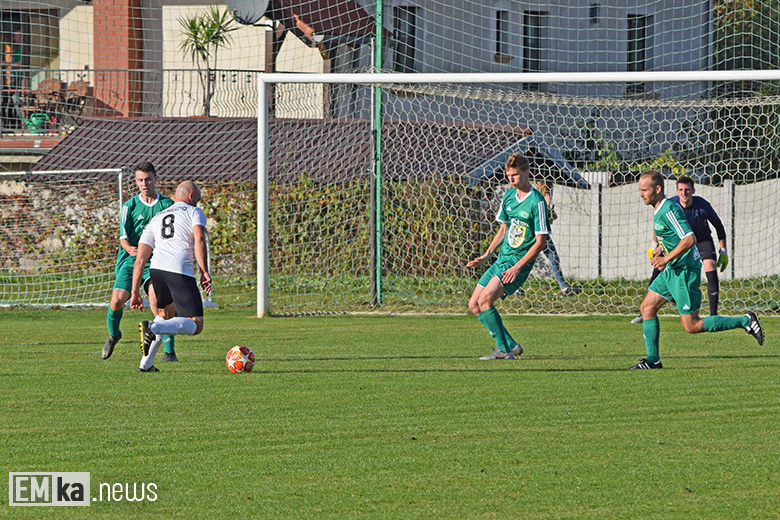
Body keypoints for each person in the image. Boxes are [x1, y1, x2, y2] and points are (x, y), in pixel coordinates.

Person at [630, 170, 763, 370]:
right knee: (647, 308)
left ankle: (746, 320)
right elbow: (674, 237)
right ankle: (653, 361)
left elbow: (689, 239)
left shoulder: (668, 209)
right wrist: (661, 249)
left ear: (657, 189)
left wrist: (665, 258)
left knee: (692, 325)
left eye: (644, 190)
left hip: (684, 271)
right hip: (672, 270)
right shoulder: (660, 209)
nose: (641, 194)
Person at [467, 153, 549, 360]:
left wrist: (517, 267)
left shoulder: (537, 201)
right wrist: (487, 255)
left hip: (517, 262)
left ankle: (504, 351)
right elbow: (504, 228)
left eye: (515, 175)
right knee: (474, 304)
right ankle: (512, 346)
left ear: (526, 173)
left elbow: (541, 242)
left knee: (486, 300)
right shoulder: (509, 196)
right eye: (509, 176)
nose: (511, 180)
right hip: (502, 259)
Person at [130, 181, 211, 372]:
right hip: (179, 270)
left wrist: (135, 291)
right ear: (191, 196)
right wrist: (204, 271)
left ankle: (145, 365)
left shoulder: (157, 217)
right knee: (196, 324)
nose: (198, 202)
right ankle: (152, 328)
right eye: (198, 198)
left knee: (164, 316)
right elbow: (199, 238)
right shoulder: (194, 212)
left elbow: (140, 259)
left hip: (157, 270)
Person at [100, 161, 177, 362]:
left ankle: (169, 351)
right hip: (130, 261)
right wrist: (129, 248)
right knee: (117, 301)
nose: (144, 184)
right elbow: (123, 238)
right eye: (140, 180)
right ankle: (114, 335)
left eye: (148, 179)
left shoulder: (167, 205)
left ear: (155, 179)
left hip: (155, 261)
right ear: (135, 181)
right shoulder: (129, 206)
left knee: (157, 302)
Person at [631, 176, 728, 323]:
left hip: (701, 240)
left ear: (693, 190)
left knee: (710, 266)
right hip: (681, 242)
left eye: (687, 190)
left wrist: (723, 250)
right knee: (659, 267)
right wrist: (655, 246)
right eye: (681, 190)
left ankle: (714, 315)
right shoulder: (669, 204)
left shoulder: (700, 205)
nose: (684, 193)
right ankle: (645, 312)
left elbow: (717, 226)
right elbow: (660, 228)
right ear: (676, 191)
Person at [533, 179, 580, 297]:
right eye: (550, 185)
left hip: (543, 234)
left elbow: (548, 218)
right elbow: (538, 215)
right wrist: (547, 206)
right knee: (525, 261)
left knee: (553, 258)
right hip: (533, 233)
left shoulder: (546, 196)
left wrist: (551, 212)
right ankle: (515, 288)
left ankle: (564, 288)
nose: (552, 187)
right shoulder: (536, 196)